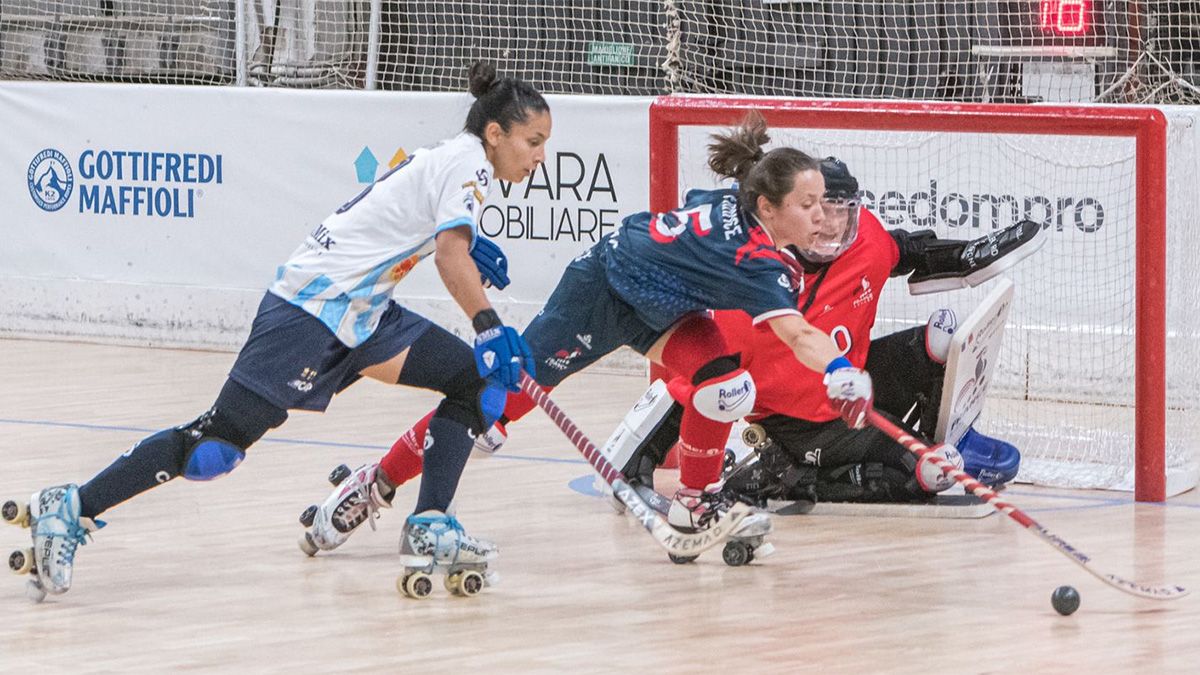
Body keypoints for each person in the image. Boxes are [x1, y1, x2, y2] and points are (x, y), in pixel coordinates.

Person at [4, 61, 549, 601]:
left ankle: (429, 525)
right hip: (312, 310)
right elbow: (449, 253)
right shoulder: (470, 164)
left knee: (474, 384)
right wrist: (487, 326)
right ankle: (71, 505)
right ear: (495, 134)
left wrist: (471, 249)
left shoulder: (452, 159)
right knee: (213, 447)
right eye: (533, 141)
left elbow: (413, 225)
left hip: (363, 312)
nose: (539, 157)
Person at [299, 111, 873, 555]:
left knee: (726, 389)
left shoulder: (738, 206)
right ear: (768, 207)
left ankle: (695, 505)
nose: (822, 216)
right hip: (600, 294)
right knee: (496, 402)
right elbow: (800, 337)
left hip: (661, 308)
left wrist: (841, 371)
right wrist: (843, 371)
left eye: (823, 202)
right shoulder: (756, 258)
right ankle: (374, 482)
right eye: (808, 204)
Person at [629, 157, 1036, 507]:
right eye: (820, 210)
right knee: (923, 477)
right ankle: (785, 472)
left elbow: (910, 252)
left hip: (851, 388)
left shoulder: (867, 241)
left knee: (939, 343)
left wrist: (970, 255)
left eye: (843, 210)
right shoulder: (755, 276)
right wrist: (640, 459)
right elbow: (700, 381)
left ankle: (952, 436)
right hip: (798, 423)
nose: (832, 225)